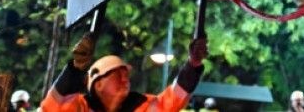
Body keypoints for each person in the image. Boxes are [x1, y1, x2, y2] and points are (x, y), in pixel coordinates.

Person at [40, 31, 209, 112]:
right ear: (98, 84)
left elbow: (175, 97)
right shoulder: (79, 108)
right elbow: (55, 106)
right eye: (117, 76)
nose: (125, 80)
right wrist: (76, 69)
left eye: (126, 75)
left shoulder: (141, 107)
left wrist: (193, 64)